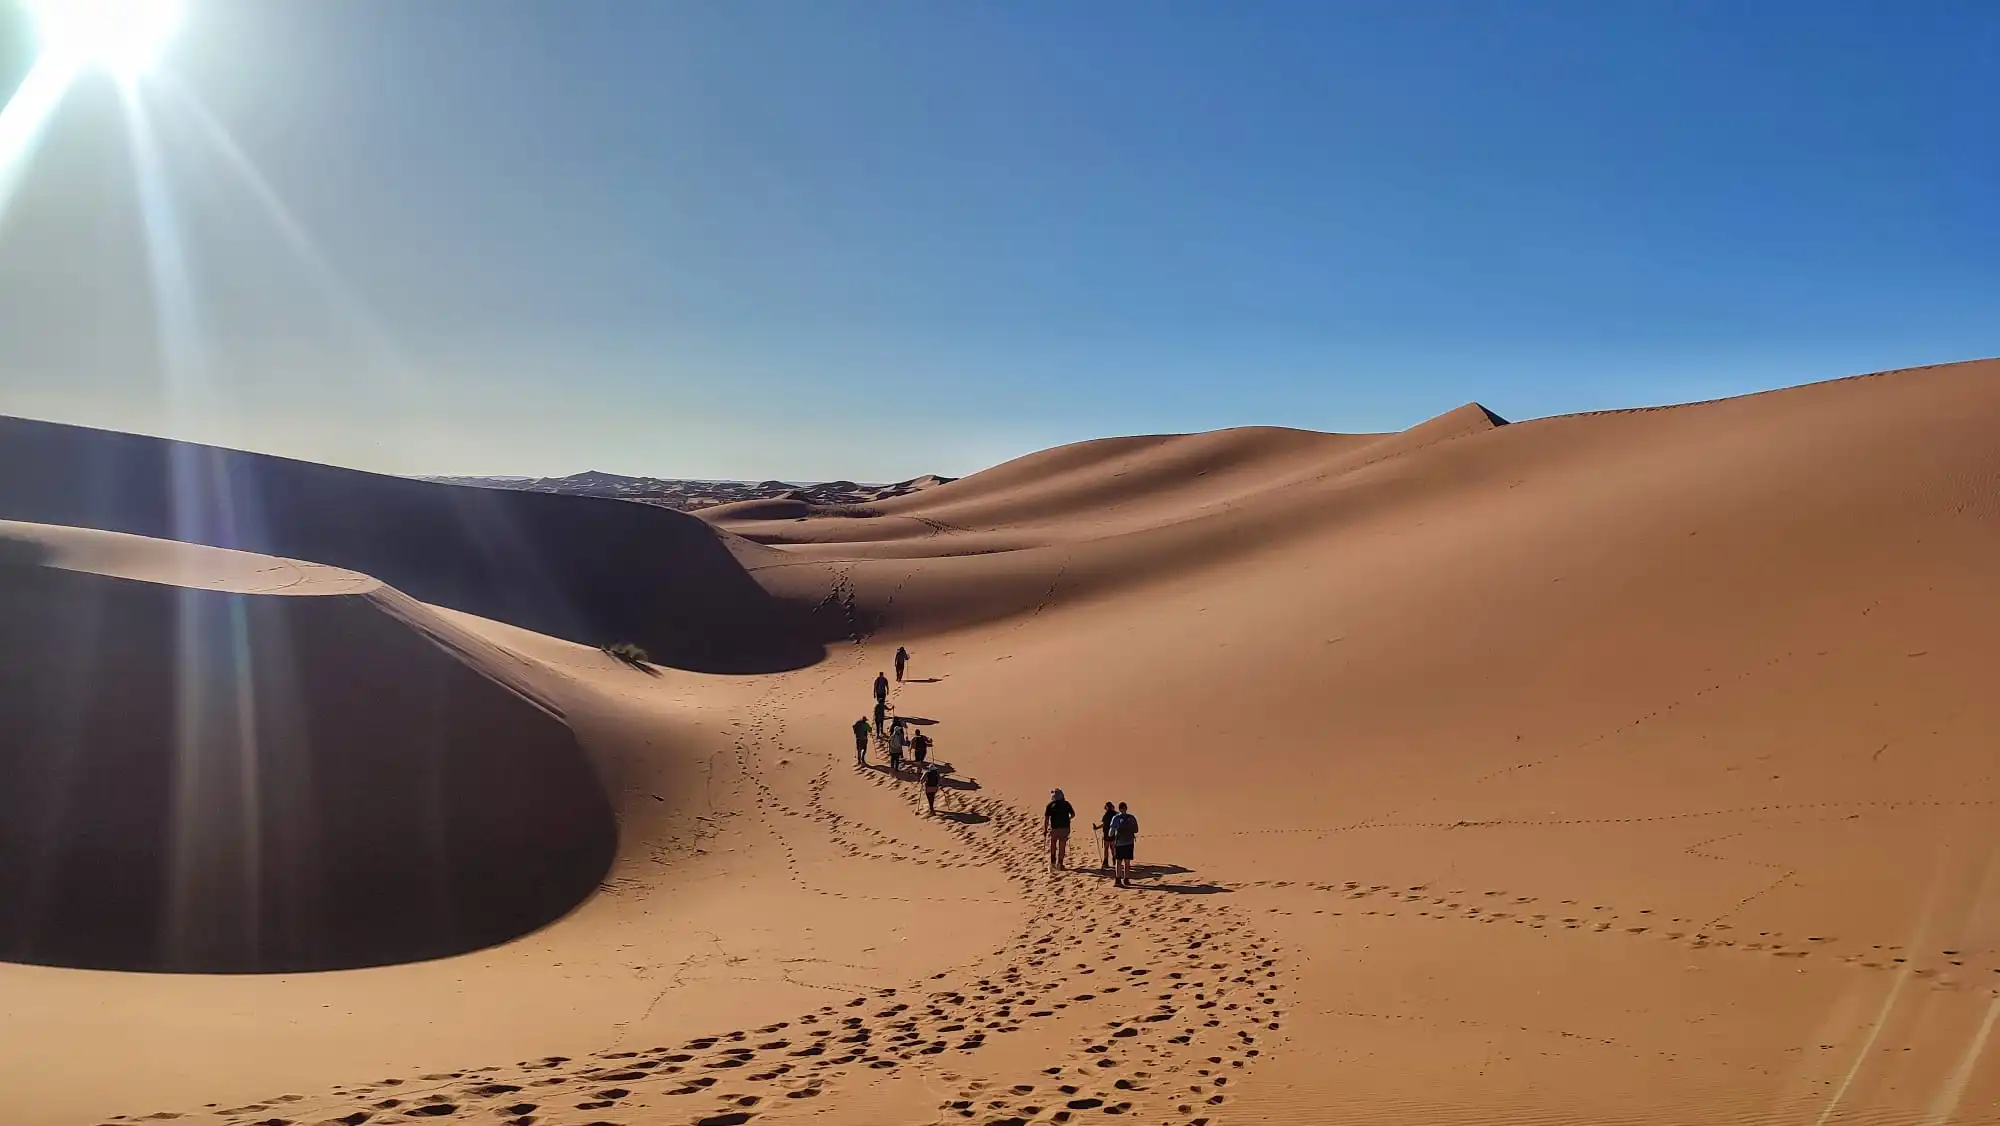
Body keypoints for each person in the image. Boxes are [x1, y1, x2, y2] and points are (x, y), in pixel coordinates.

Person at [1043, 789, 1076, 871]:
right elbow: (1073, 814)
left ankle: (1053, 863)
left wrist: (1045, 829)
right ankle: (1060, 864)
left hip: (1054, 828)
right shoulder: (1066, 804)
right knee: (1062, 845)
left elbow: (1046, 819)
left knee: (1053, 844)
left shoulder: (1050, 805)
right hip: (1065, 828)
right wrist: (1068, 818)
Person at [1110, 802, 1140, 887]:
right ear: (1126, 808)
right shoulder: (1132, 817)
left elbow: (1111, 833)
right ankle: (1126, 879)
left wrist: (1110, 835)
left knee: (1118, 862)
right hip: (1129, 842)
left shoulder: (1116, 818)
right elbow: (1136, 830)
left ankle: (1118, 880)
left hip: (1119, 843)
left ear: (1119, 809)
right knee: (1127, 862)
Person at [1094, 802, 1117, 871]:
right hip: (1111, 833)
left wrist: (1097, 828)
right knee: (1112, 847)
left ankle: (1107, 861)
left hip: (1108, 833)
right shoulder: (1115, 814)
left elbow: (1104, 824)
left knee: (1107, 848)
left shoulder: (1108, 814)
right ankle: (1113, 860)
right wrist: (1097, 827)